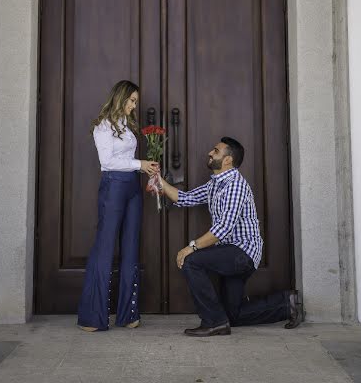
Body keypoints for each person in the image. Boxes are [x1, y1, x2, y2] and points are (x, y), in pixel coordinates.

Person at [159, 137, 304, 337]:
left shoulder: (235, 185)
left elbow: (223, 228)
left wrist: (190, 247)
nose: (210, 153)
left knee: (191, 261)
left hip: (242, 253)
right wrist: (159, 180)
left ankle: (213, 322)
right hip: (230, 253)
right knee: (232, 316)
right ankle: (286, 304)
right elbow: (185, 198)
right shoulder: (215, 185)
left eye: (216, 151)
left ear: (227, 160)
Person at [77, 80, 158, 332]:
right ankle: (92, 317)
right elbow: (108, 161)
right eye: (132, 100)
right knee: (105, 246)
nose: (135, 106)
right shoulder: (102, 126)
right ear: (120, 98)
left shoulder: (127, 124)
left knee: (131, 245)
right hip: (113, 186)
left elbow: (128, 159)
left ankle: (128, 313)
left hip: (133, 187)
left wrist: (146, 168)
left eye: (136, 101)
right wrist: (139, 164)